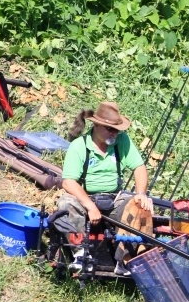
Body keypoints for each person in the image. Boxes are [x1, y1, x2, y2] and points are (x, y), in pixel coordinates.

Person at [57, 101, 153, 275]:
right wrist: (90, 206)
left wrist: (140, 194)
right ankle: (80, 253)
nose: (114, 134)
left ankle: (124, 259)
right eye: (110, 129)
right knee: (66, 203)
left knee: (139, 206)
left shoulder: (122, 141)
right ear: (96, 125)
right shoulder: (79, 146)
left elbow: (139, 168)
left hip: (115, 198)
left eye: (117, 130)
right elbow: (68, 182)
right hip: (86, 197)